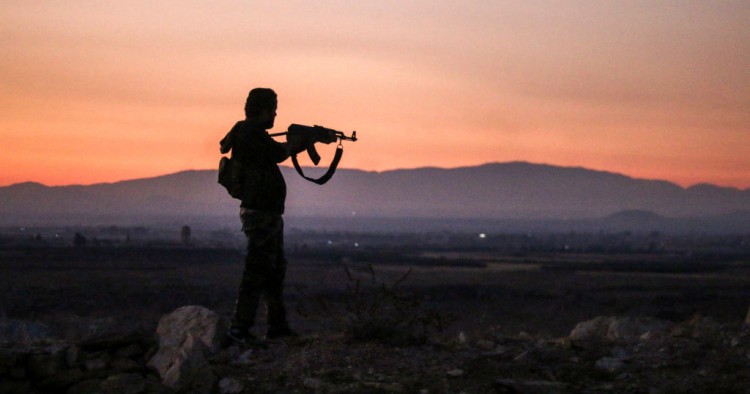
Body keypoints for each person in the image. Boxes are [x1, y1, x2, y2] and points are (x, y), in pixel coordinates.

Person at [222, 87, 310, 343]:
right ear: (262, 110)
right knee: (257, 268)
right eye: (272, 109)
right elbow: (278, 153)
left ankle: (276, 325)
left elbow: (276, 151)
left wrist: (303, 142)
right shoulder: (249, 134)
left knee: (274, 269)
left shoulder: (252, 134)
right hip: (260, 213)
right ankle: (240, 327)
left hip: (266, 212)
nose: (275, 115)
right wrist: (302, 143)